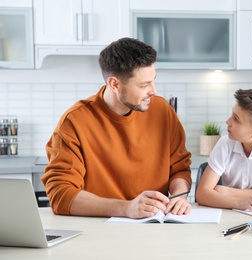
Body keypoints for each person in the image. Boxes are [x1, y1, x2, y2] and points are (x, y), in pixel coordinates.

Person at [42, 37, 192, 219]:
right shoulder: (74, 121)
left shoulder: (162, 111)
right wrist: (126, 208)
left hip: (155, 227)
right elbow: (61, 194)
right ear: (115, 84)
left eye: (152, 81)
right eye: (144, 85)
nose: (154, 91)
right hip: (98, 231)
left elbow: (179, 169)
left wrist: (178, 196)